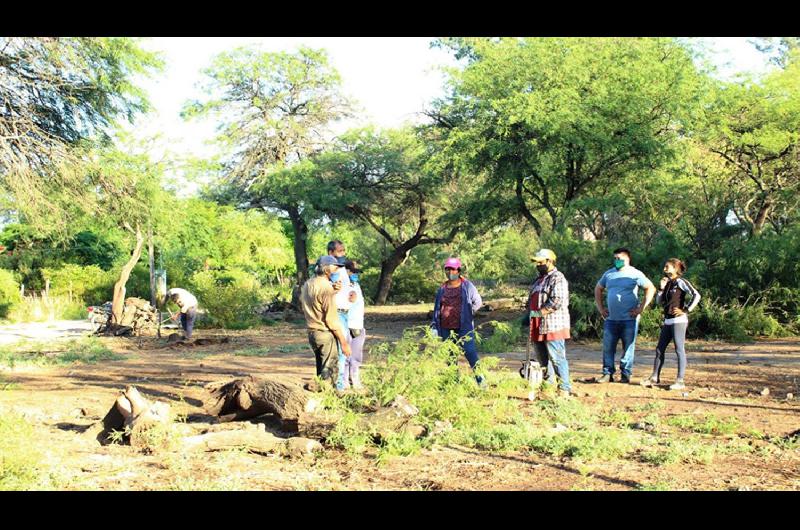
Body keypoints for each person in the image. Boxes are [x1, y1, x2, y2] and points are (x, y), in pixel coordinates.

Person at [594, 248, 656, 384]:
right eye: (615, 258)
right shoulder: (609, 274)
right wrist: (601, 308)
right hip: (611, 319)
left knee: (628, 347)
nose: (616, 261)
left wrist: (641, 308)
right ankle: (607, 373)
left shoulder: (635, 273)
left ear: (627, 259)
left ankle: (625, 374)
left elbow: (650, 288)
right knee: (608, 347)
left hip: (629, 319)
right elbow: (598, 288)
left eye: (619, 259)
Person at [641, 258, 702, 391]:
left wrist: (686, 310)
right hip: (667, 321)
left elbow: (696, 295)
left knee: (679, 349)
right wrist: (661, 288)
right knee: (659, 349)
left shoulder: (681, 282)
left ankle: (680, 381)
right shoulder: (667, 283)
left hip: (679, 321)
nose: (664, 268)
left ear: (675, 268)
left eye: (667, 266)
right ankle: (654, 377)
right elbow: (659, 302)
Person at [526, 249, 573, 397]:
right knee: (543, 359)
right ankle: (547, 386)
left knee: (557, 358)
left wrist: (540, 312)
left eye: (541, 262)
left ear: (550, 261)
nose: (538, 265)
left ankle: (564, 388)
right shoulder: (538, 280)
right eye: (537, 263)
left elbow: (557, 300)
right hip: (537, 326)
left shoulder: (558, 278)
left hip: (553, 325)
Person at [300, 255, 352, 387]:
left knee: (320, 372)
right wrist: (343, 342)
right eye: (335, 268)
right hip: (325, 334)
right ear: (327, 270)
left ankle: (320, 400)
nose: (337, 271)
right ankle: (329, 402)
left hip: (313, 333)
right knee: (329, 374)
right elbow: (331, 320)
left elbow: (317, 301)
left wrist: (333, 291)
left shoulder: (309, 284)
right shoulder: (326, 288)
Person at [431, 257, 484, 385]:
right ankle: (453, 383)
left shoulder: (467, 286)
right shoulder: (442, 288)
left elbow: (478, 302)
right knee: (450, 355)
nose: (450, 272)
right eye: (447, 269)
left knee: (470, 352)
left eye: (453, 269)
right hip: (445, 327)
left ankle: (481, 381)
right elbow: (437, 307)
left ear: (458, 270)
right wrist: (434, 326)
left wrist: (468, 313)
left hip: (464, 327)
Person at [327, 240, 352, 390]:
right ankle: (339, 386)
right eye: (340, 251)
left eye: (344, 250)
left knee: (344, 350)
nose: (343, 254)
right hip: (336, 313)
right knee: (342, 349)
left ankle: (340, 383)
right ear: (331, 253)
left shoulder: (341, 268)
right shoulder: (330, 268)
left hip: (345, 312)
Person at [343, 259, 366, 391]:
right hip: (347, 325)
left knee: (356, 356)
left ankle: (355, 379)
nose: (354, 274)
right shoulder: (343, 286)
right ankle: (345, 381)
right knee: (346, 356)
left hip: (358, 324)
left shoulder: (356, 284)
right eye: (352, 271)